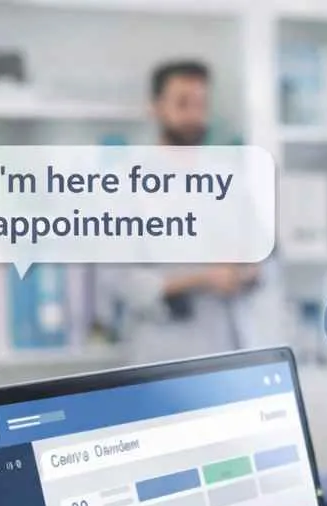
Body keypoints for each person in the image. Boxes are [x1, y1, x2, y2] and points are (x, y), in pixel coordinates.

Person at [102, 59, 278, 363]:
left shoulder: (228, 178)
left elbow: (263, 255)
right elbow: (119, 280)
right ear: (155, 108)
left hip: (228, 345)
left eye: (201, 104)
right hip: (163, 350)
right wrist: (203, 279)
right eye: (183, 104)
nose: (194, 116)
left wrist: (246, 272)